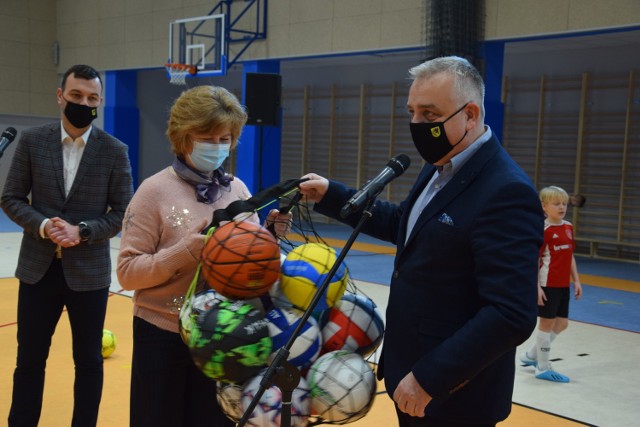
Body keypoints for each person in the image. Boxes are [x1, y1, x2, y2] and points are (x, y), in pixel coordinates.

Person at [298, 56, 544, 426]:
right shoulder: (440, 165)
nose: (416, 125)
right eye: (412, 112)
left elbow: (511, 314)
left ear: (471, 115)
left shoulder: (505, 191)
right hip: (410, 376)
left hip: (452, 394)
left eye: (429, 115)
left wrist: (431, 378)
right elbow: (405, 224)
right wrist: (332, 195)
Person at [116, 85, 291, 427]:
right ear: (182, 136)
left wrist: (267, 237)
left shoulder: (238, 190)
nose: (217, 146)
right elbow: (126, 273)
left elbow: (245, 270)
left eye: (224, 138)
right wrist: (185, 252)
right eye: (207, 137)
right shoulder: (152, 191)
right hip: (163, 333)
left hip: (227, 334)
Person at [1, 64, 134, 426]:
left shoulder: (114, 151)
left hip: (88, 274)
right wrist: (44, 225)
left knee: (89, 362)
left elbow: (122, 212)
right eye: (76, 95)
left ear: (100, 102)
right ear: (60, 96)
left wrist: (83, 231)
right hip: (37, 269)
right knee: (29, 360)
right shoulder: (32, 141)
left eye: (92, 98)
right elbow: (11, 197)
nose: (83, 103)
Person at [520, 186, 582, 383]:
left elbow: (569, 255)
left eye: (564, 203)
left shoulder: (568, 227)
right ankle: (543, 367)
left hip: (563, 285)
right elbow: (533, 261)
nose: (562, 207)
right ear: (544, 206)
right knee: (546, 324)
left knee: (562, 324)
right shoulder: (542, 230)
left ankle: (531, 356)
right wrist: (536, 286)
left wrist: (577, 280)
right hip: (547, 283)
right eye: (556, 204)